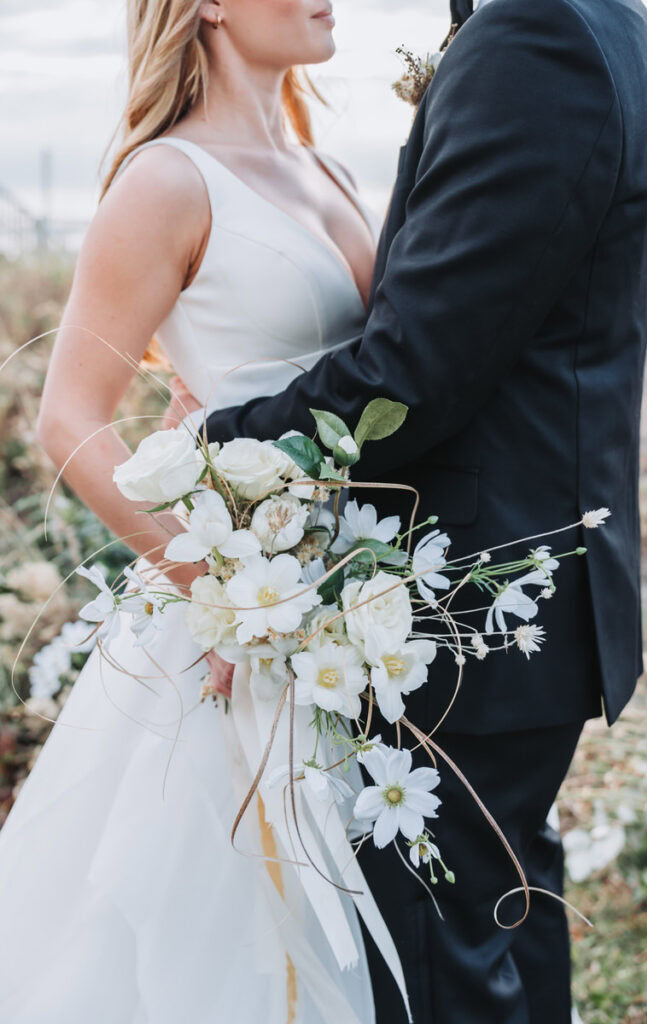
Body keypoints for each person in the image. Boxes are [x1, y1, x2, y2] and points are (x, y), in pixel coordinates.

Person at [173, 0, 647, 1020]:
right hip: (526, 582)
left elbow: (414, 373)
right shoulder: (613, 23)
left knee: (438, 967)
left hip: (464, 601)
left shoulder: (531, 37)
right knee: (502, 918)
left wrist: (210, 444)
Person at [0, 1, 393, 1020]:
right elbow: (69, 420)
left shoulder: (330, 173)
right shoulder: (166, 179)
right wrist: (223, 596)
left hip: (348, 611)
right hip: (230, 628)